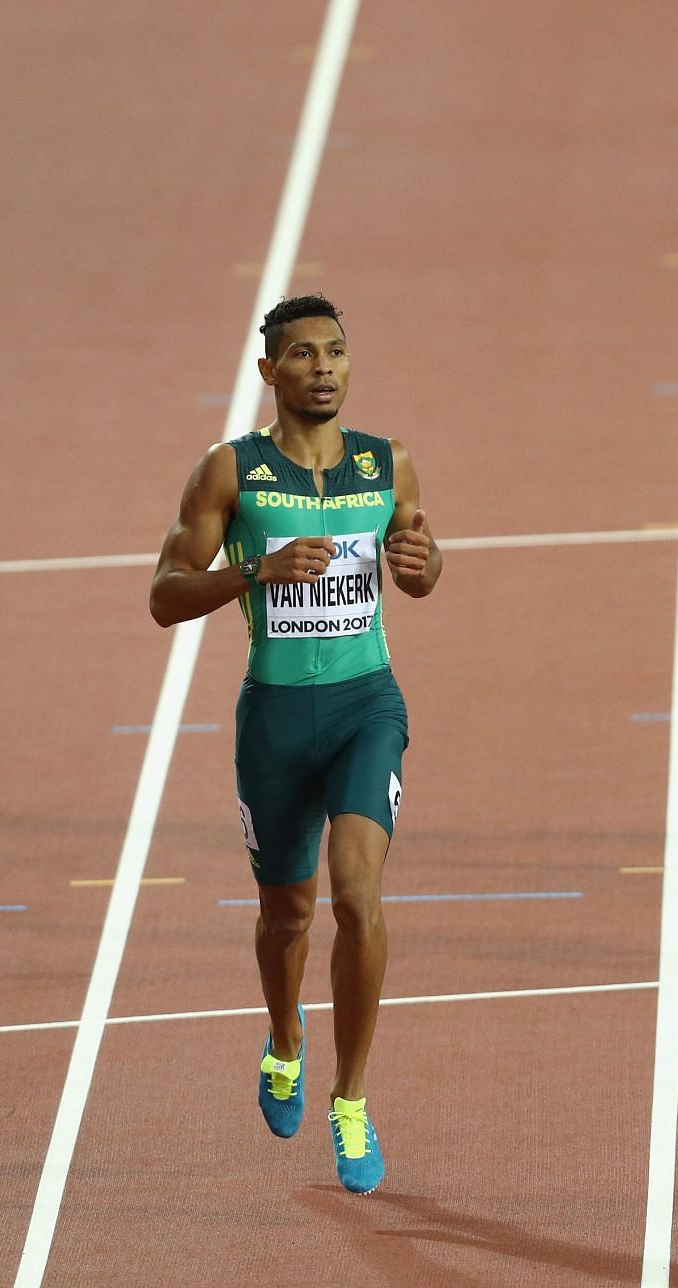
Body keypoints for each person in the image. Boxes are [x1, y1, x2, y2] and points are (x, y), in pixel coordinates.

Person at [149, 293, 442, 1190]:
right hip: (275, 720)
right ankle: (285, 1041)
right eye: (304, 354)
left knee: (358, 897)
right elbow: (164, 593)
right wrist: (254, 569)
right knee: (288, 916)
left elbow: (418, 558)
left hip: (366, 709)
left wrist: (429, 569)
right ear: (269, 371)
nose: (323, 366)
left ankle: (350, 1101)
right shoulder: (228, 473)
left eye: (338, 352)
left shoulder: (389, 463)